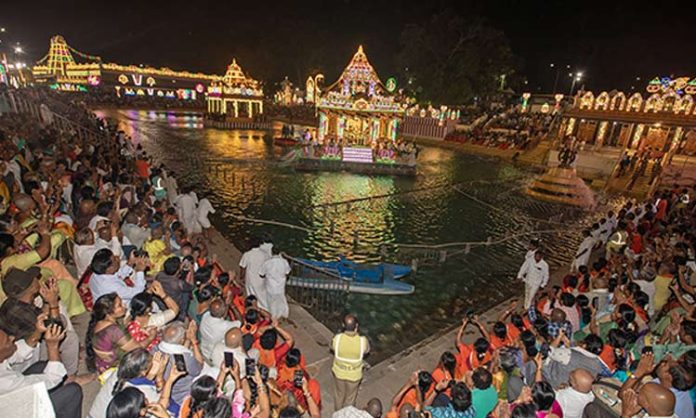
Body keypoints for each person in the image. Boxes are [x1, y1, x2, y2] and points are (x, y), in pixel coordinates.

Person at [0, 323, 83, 418]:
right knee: (72, 391)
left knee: (43, 366)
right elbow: (54, 377)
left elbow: (16, 353)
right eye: (7, 341)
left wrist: (37, 331)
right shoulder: (5, 382)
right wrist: (52, 346)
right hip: (13, 411)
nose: (12, 338)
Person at [86, 293, 156, 373]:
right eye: (119, 305)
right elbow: (138, 347)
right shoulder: (114, 331)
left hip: (101, 362)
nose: (124, 306)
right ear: (109, 313)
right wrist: (151, 337)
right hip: (112, 367)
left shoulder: (99, 321)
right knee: (155, 349)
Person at [155, 321, 204, 407]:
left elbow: (180, 349)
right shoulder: (185, 359)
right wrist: (193, 341)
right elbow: (199, 366)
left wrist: (187, 339)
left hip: (162, 390)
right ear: (181, 340)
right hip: (180, 396)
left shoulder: (155, 349)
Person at [126, 282, 179, 350]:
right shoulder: (156, 321)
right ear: (148, 309)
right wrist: (163, 294)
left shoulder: (130, 313)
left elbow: (141, 301)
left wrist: (151, 289)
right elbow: (175, 309)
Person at [332, 314, 369, 411]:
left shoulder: (337, 339)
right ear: (356, 326)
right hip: (354, 376)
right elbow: (367, 350)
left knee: (339, 395)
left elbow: (331, 347)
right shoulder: (362, 342)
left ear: (343, 325)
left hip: (339, 373)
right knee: (350, 398)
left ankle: (337, 414)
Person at [199, 299, 241, 363]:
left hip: (203, 351)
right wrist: (232, 305)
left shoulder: (206, 316)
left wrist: (226, 305)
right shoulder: (224, 325)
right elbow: (240, 322)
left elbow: (221, 315)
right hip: (213, 356)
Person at [239, 236, 272, 311]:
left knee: (251, 295)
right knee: (262, 295)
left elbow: (242, 267)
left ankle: (254, 310)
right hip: (262, 279)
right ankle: (265, 309)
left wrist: (241, 277)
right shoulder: (264, 254)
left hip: (251, 280)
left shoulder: (247, 254)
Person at [259, 246, 291, 320]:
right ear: (279, 253)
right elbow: (288, 272)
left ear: (272, 252)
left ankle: (273, 316)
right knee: (281, 299)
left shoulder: (267, 263)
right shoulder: (284, 262)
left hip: (270, 286)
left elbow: (261, 274)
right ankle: (284, 314)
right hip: (280, 286)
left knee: (271, 302)